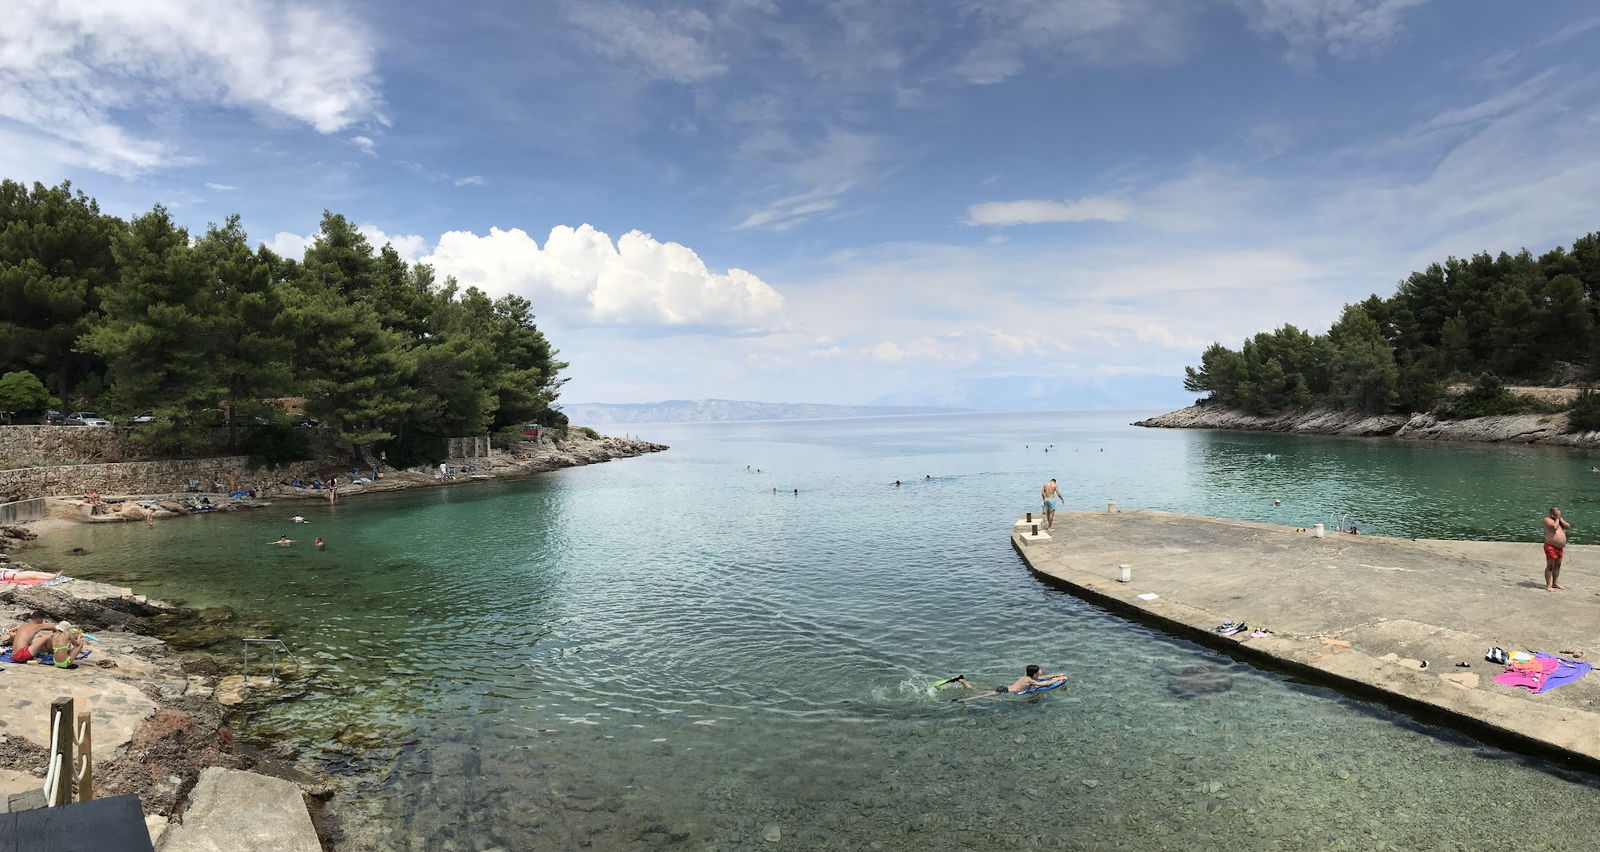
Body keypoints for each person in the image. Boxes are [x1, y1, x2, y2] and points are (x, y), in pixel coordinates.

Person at [952, 665, 1068, 702]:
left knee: (980, 691)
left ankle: (963, 681)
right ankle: (964, 700)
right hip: (1005, 691)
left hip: (1005, 688)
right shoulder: (1030, 680)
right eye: (1038, 672)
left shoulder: (1026, 677)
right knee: (982, 695)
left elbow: (1045, 677)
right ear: (1034, 674)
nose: (1040, 673)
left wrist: (1057, 675)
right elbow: (1044, 684)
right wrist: (1057, 680)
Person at [1543, 506, 1573, 591]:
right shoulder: (1547, 520)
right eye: (1556, 514)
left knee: (1558, 565)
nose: (1558, 515)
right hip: (1550, 546)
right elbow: (1554, 527)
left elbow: (1568, 526)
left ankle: (1555, 583)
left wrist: (1560, 519)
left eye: (1559, 513)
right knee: (1550, 566)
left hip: (1559, 548)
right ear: (1552, 514)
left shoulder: (1559, 520)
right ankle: (1548, 585)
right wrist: (1557, 519)